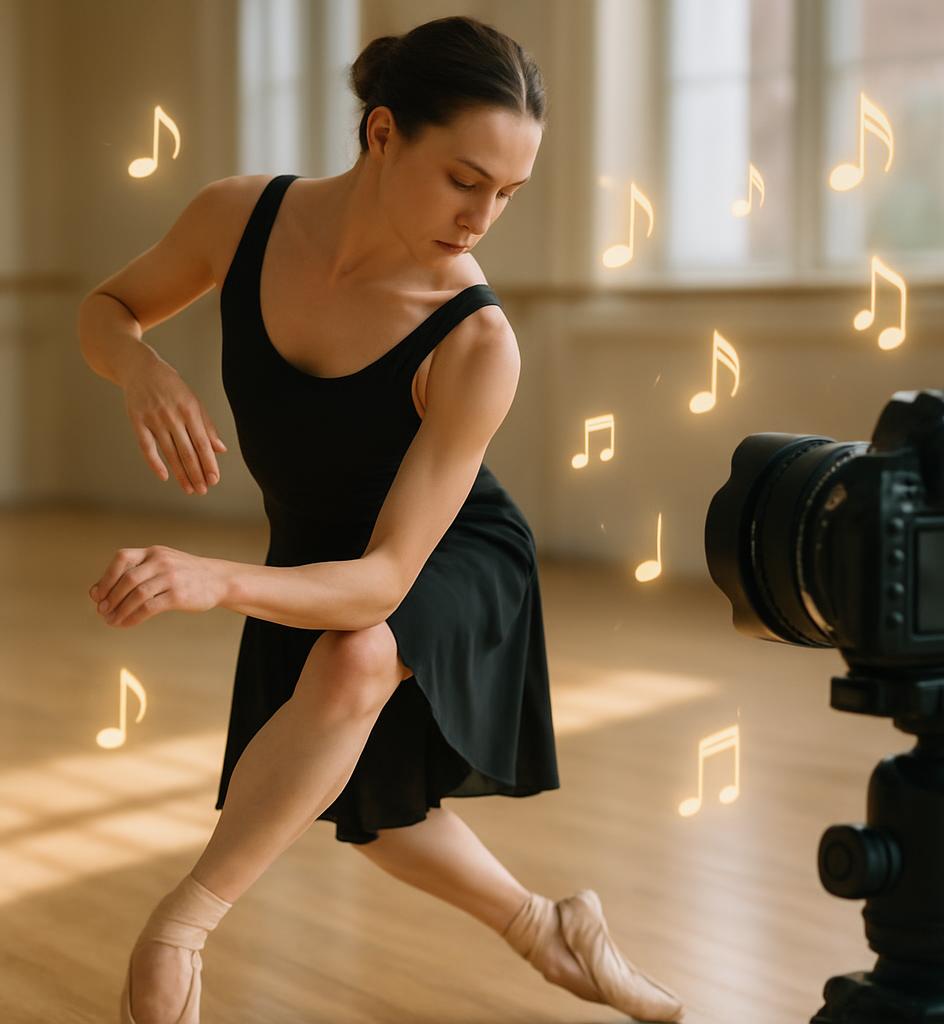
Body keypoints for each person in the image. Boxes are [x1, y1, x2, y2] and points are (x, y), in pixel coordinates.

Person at [78, 15, 685, 1024]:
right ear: (382, 133)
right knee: (377, 814)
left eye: (506, 193)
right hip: (316, 554)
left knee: (359, 656)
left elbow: (386, 582)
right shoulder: (241, 217)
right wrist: (139, 367)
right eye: (464, 178)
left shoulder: (477, 340)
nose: (482, 216)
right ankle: (554, 927)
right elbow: (108, 306)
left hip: (444, 556)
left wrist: (216, 578)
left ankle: (176, 934)